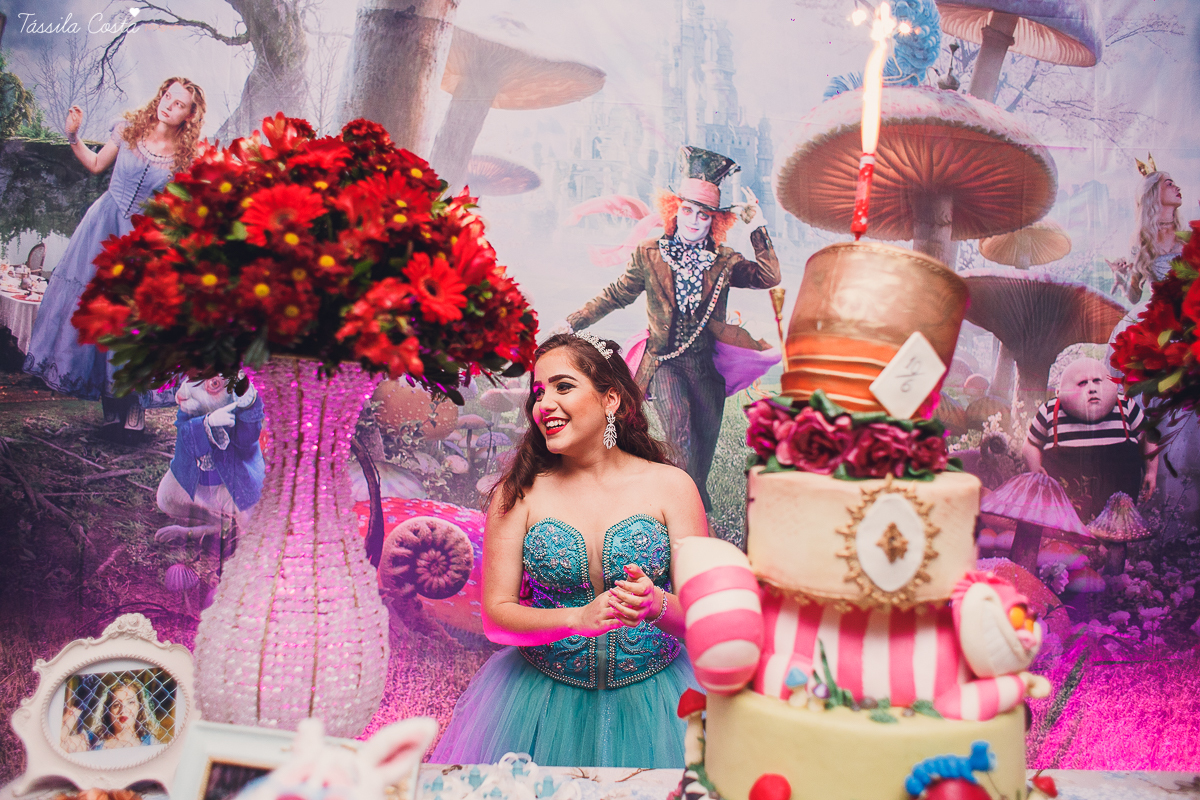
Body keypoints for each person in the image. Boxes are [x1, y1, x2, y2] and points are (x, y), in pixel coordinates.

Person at [430, 333, 707, 768]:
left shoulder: (672, 487)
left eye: (563, 386)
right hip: (539, 706)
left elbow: (703, 617)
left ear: (610, 398)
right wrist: (576, 619)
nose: (544, 404)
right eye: (539, 392)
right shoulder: (518, 493)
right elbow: (496, 619)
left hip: (659, 703)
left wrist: (657, 604)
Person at [564, 146, 780, 512]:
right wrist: (572, 322)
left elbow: (769, 276)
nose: (694, 220)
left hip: (706, 368)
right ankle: (680, 514)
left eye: (704, 214)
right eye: (687, 210)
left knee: (704, 445)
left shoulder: (725, 261)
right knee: (680, 441)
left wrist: (757, 224)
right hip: (664, 364)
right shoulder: (650, 253)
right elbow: (617, 294)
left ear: (715, 221)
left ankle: (690, 506)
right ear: (674, 210)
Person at [24, 77, 206, 439]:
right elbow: (94, 164)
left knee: (132, 324)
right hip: (101, 229)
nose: (168, 104)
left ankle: (134, 406)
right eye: (167, 95)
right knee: (99, 317)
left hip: (143, 242)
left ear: (189, 115)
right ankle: (111, 408)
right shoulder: (128, 129)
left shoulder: (187, 157)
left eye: (179, 103)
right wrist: (74, 136)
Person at [1023, 357, 1158, 522]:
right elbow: (1031, 444)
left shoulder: (1125, 407)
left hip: (1118, 513)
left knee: (1114, 544)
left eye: (1096, 381)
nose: (1092, 388)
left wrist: (1151, 471)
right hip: (1064, 514)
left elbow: (1149, 437)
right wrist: (1035, 467)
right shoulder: (1050, 411)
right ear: (1059, 392)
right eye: (1082, 383)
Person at [90, 675, 163, 749]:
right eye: (116, 705)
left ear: (140, 707)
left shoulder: (151, 743)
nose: (123, 710)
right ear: (108, 711)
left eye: (130, 702)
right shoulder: (94, 743)